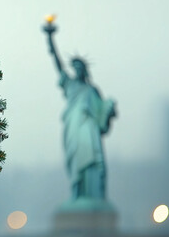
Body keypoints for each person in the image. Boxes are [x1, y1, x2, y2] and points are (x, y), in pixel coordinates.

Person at [44, 23, 116, 200]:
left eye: (79, 67)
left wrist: (109, 108)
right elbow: (57, 63)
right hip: (73, 127)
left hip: (88, 127)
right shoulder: (69, 84)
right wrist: (50, 38)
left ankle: (94, 196)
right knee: (76, 159)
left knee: (93, 158)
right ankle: (76, 194)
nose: (76, 69)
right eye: (74, 66)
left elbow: (102, 113)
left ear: (84, 69)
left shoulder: (91, 90)